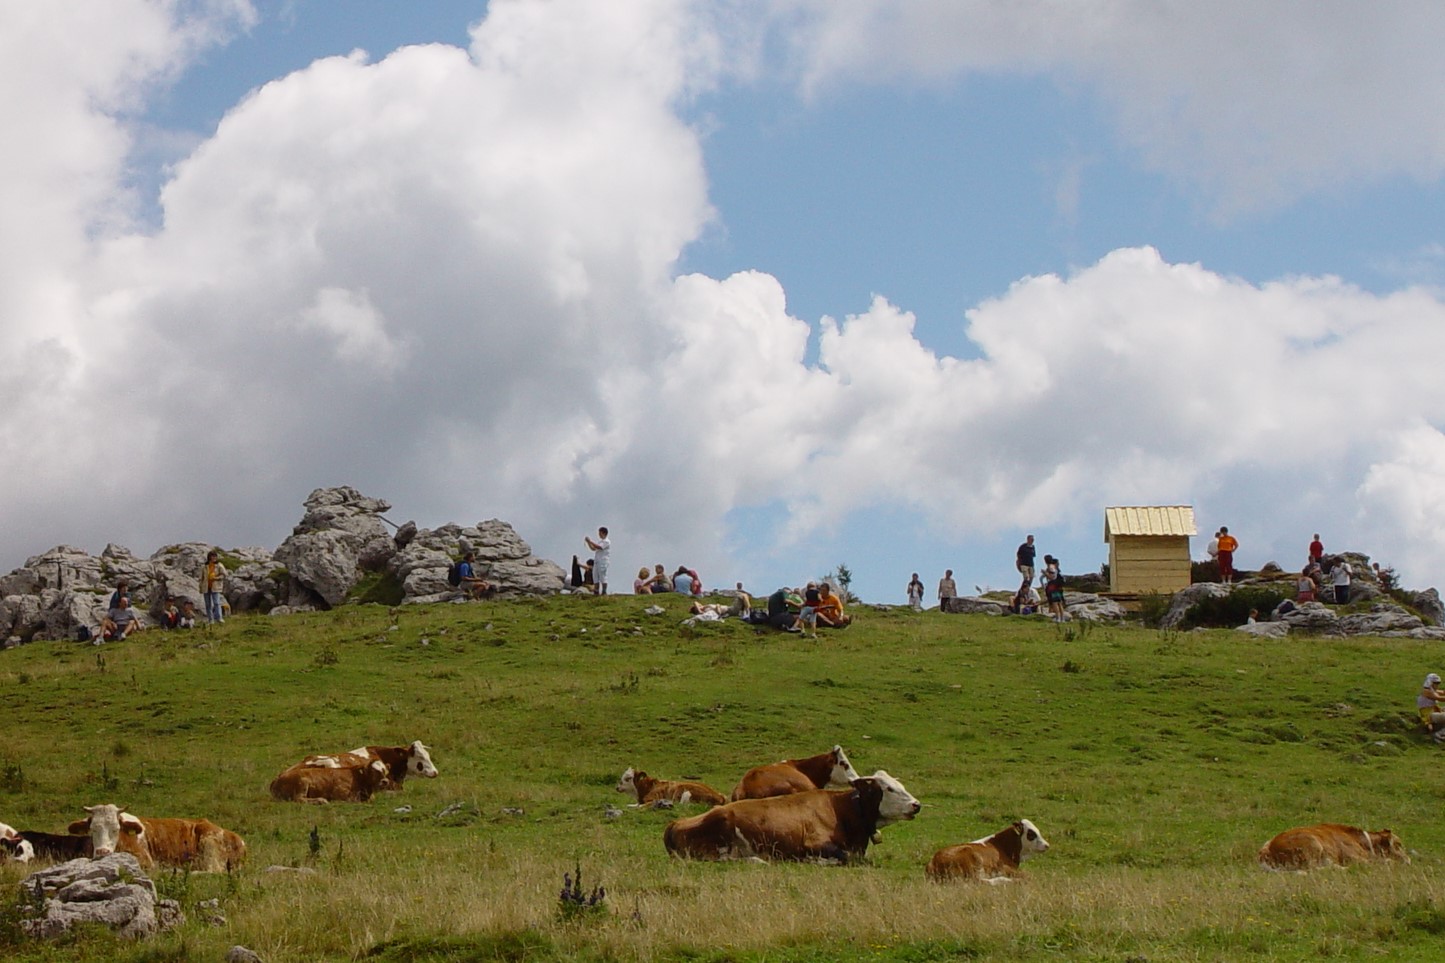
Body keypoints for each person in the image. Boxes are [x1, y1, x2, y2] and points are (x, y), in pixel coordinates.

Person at [200, 550, 225, 624]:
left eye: (215, 556)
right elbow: (201, 577)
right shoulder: (204, 566)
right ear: (209, 557)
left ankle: (219, 618)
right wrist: (200, 587)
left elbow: (224, 575)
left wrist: (216, 578)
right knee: (208, 604)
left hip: (215, 586)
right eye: (212, 556)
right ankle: (210, 619)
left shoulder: (219, 565)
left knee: (217, 603)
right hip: (206, 587)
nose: (214, 558)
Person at [1418, 673, 1445, 741]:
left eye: (1438, 683)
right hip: (1429, 715)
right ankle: (1439, 734)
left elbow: (1442, 692)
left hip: (1433, 711)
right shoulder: (1427, 692)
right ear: (1430, 682)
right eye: (1436, 683)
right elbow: (1439, 698)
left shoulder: (1433, 690)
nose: (1437, 685)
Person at [584, 527, 610, 595]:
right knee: (595, 576)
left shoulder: (607, 541)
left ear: (603, 533)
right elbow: (593, 548)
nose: (599, 534)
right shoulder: (600, 541)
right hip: (597, 561)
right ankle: (596, 590)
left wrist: (590, 541)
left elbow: (599, 547)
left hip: (603, 562)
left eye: (600, 533)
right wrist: (588, 543)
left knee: (603, 576)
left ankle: (604, 591)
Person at [1041, 555, 1066, 622]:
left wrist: (1045, 573)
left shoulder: (1050, 567)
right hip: (1057, 587)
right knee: (1059, 603)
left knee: (1055, 603)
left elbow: (1051, 577)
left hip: (1053, 586)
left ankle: (1058, 618)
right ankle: (1062, 618)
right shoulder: (1055, 567)